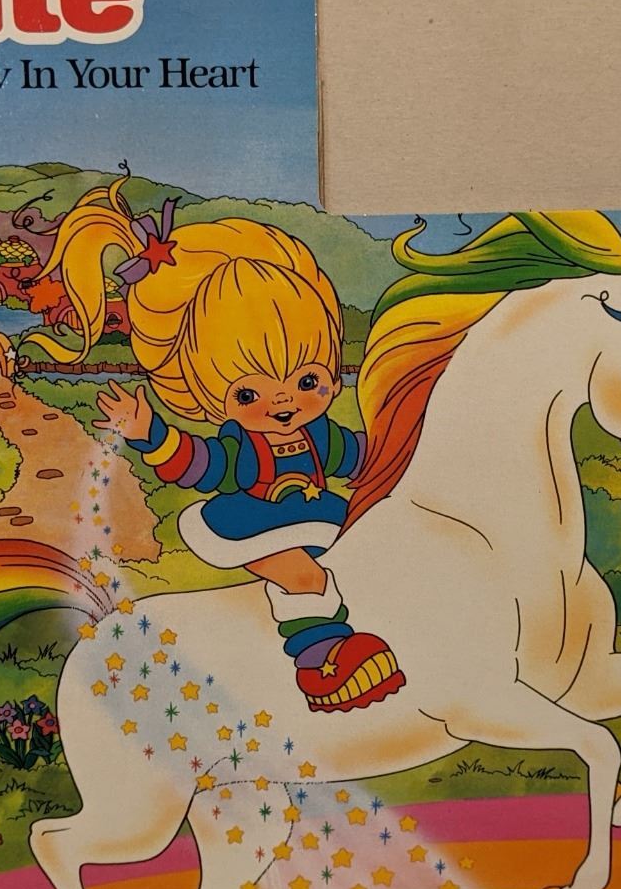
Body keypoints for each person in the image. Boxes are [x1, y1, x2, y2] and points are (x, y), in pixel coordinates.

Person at [25, 180, 404, 713]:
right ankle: (320, 661)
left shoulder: (319, 435)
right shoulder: (244, 448)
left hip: (319, 515)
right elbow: (202, 464)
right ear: (206, 394)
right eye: (249, 393)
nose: (284, 402)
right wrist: (151, 433)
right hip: (252, 525)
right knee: (302, 575)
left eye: (307, 380)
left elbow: (360, 456)